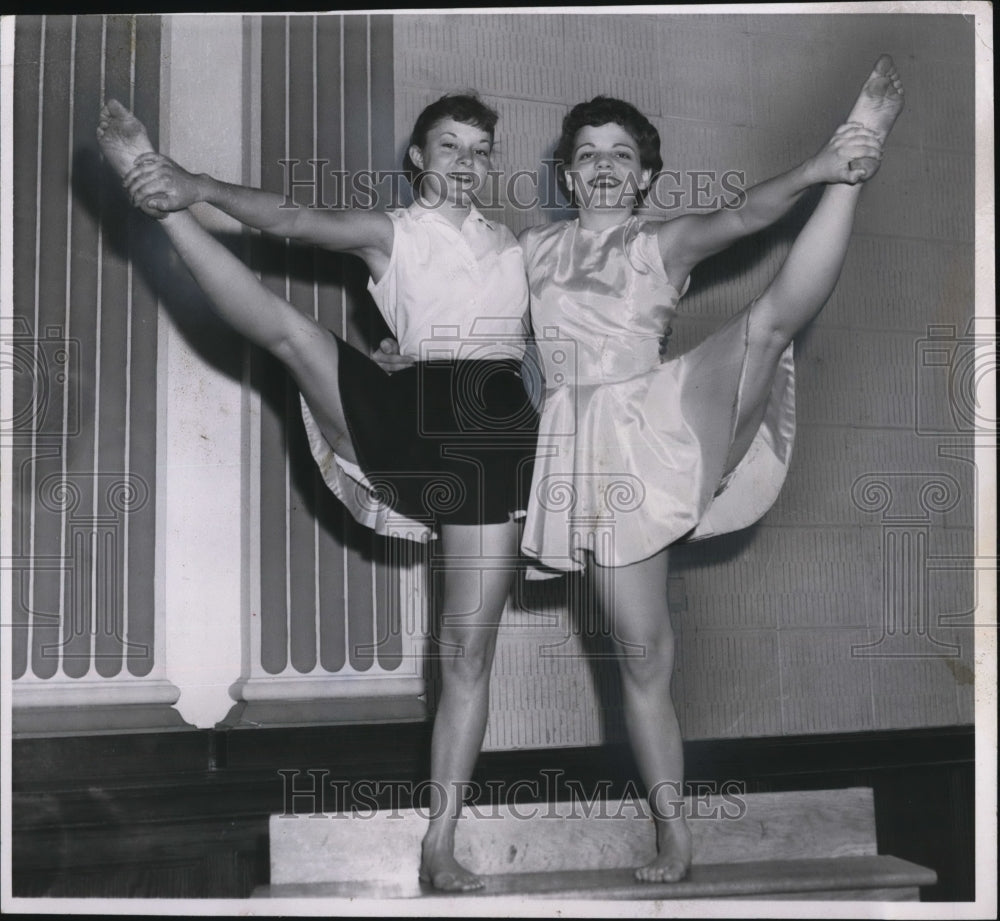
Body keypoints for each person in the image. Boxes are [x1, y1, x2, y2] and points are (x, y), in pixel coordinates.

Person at [98, 94, 536, 892]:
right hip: (410, 411)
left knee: (466, 652)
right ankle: (167, 206)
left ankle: (440, 844)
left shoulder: (516, 247)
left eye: (481, 150)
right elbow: (294, 218)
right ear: (417, 158)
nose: (466, 163)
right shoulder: (393, 232)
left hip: (493, 434)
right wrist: (199, 183)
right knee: (292, 333)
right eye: (449, 146)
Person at [514, 55, 904, 882]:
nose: (606, 165)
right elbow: (482, 331)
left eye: (622, 153)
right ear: (568, 174)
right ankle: (675, 829)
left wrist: (821, 165)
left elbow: (743, 213)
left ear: (645, 174)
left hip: (650, 422)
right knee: (640, 650)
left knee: (765, 326)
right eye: (589, 152)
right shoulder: (532, 251)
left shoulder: (661, 242)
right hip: (575, 447)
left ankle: (851, 167)